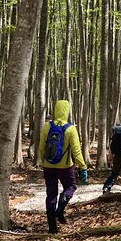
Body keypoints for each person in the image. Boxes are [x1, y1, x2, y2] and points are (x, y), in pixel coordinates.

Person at [39, 100, 87, 234]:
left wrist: (44, 162)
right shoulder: (70, 129)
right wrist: (83, 167)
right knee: (71, 187)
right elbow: (77, 152)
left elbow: (41, 148)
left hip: (48, 167)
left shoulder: (47, 127)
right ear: (67, 111)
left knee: (51, 194)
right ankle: (60, 209)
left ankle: (52, 228)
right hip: (66, 167)